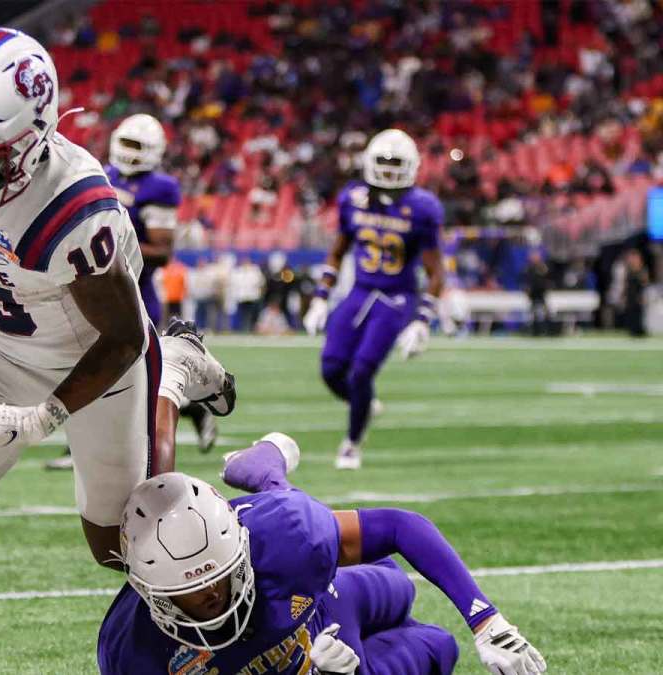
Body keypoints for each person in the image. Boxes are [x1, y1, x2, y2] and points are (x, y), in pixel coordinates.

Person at [0, 28, 232, 633]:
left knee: (127, 549)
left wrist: (46, 415)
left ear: (30, 144)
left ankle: (171, 380)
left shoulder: (72, 209)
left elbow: (124, 337)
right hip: (0, 350)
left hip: (97, 359)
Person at [98, 434, 546, 675]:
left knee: (396, 586)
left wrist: (486, 621)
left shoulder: (283, 541)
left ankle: (269, 475)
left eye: (220, 576)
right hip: (326, 647)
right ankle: (269, 475)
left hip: (318, 600)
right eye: (192, 590)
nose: (214, 595)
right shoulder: (133, 653)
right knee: (438, 650)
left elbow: (398, 526)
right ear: (150, 592)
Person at [49, 113, 215, 470]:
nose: (129, 151)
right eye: (126, 143)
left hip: (132, 291)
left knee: (133, 376)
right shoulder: (103, 173)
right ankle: (78, 447)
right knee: (87, 364)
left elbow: (162, 250)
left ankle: (190, 410)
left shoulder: (160, 187)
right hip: (94, 288)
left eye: (137, 146)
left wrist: (109, 242)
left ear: (154, 151)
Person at [303, 129, 445, 470]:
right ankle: (365, 405)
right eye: (384, 161)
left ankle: (352, 443)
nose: (390, 169)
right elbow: (338, 251)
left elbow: (436, 271)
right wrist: (321, 297)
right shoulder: (353, 198)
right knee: (331, 368)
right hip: (360, 291)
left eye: (397, 163)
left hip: (397, 297)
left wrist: (423, 321)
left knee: (362, 370)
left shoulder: (422, 207)